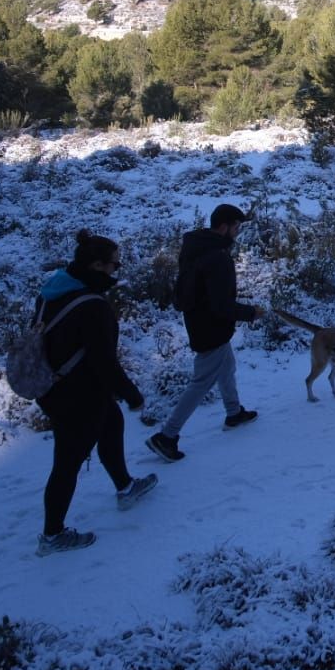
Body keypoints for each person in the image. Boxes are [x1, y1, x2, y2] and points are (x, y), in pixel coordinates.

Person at [35, 229, 157, 556]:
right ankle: (52, 535)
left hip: (54, 385)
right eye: (115, 266)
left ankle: (125, 486)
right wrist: (132, 394)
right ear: (98, 265)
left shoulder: (53, 290)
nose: (117, 271)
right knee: (67, 463)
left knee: (112, 424)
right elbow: (103, 360)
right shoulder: (93, 306)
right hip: (78, 396)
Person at [146, 203, 268, 462]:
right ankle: (167, 436)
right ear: (223, 226)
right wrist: (251, 312)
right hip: (211, 327)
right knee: (201, 382)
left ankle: (233, 412)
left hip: (199, 321)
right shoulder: (218, 257)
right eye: (236, 227)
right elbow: (221, 305)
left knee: (227, 366)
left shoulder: (196, 247)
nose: (237, 232)